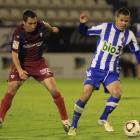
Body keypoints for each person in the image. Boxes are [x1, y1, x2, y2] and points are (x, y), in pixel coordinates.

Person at [68, 7, 140, 136]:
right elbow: (83, 31)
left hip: (112, 71)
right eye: (122, 20)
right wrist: (82, 23)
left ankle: (103, 118)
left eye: (126, 21)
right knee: (84, 96)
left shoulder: (129, 35)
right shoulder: (105, 27)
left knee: (117, 93)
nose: (124, 23)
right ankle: (73, 125)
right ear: (116, 18)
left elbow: (137, 52)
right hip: (96, 69)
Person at [0, 10, 70, 132]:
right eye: (30, 23)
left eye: (34, 23)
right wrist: (21, 70)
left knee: (54, 89)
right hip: (21, 63)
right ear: (23, 22)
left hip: (38, 63)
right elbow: (14, 54)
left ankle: (66, 120)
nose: (33, 26)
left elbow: (45, 24)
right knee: (11, 89)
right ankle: (0, 119)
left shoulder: (40, 25)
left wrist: (52, 29)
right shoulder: (18, 33)